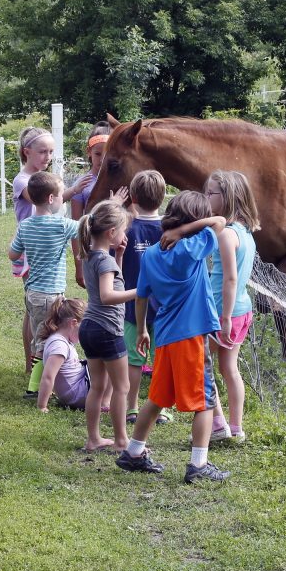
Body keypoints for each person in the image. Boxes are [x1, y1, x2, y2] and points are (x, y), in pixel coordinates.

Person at [116, 191, 230, 483]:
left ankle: (133, 452)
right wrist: (184, 231)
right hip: (190, 336)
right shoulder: (191, 246)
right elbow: (219, 221)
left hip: (165, 335)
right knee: (205, 401)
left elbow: (141, 295)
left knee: (157, 397)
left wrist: (142, 329)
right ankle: (198, 464)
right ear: (194, 220)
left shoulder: (152, 253)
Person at [8, 170, 83, 398]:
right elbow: (87, 226)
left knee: (39, 336)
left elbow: (13, 254)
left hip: (32, 293)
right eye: (61, 196)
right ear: (51, 198)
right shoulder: (62, 225)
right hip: (52, 295)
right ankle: (35, 388)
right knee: (47, 339)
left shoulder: (25, 225)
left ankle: (40, 381)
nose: (62, 200)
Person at [78, 200, 137, 452]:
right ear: (112, 232)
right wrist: (140, 292)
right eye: (123, 230)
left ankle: (93, 439)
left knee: (98, 386)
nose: (125, 236)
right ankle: (121, 440)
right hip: (107, 330)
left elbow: (114, 283)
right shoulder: (105, 262)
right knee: (121, 388)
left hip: (89, 328)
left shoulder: (90, 256)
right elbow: (107, 295)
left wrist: (119, 256)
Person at [205, 170, 259, 445]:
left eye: (210, 193)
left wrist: (224, 317)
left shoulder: (227, 234)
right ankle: (236, 428)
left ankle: (218, 424)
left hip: (221, 311)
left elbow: (230, 278)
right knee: (229, 368)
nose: (206, 198)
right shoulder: (246, 233)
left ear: (227, 197)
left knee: (201, 365)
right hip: (242, 309)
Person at [11, 127, 63, 376]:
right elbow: (45, 202)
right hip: (31, 252)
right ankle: (32, 364)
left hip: (42, 250)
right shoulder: (23, 181)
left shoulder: (42, 179)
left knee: (34, 309)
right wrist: (66, 190)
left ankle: (34, 364)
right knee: (36, 310)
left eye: (51, 152)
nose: (48, 157)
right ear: (27, 152)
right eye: (43, 151)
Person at [120, 170, 169, 426]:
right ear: (163, 197)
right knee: (161, 360)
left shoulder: (126, 228)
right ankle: (160, 408)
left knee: (134, 359)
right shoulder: (169, 230)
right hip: (165, 308)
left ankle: (132, 407)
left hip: (132, 306)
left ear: (133, 197)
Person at [36, 298, 90, 411]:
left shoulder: (62, 341)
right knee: (110, 361)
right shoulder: (59, 346)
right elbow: (48, 377)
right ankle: (105, 402)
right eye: (84, 328)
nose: (85, 332)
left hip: (78, 389)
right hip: (77, 395)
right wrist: (42, 406)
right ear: (74, 323)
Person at [67, 120, 113, 219]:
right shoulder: (81, 184)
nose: (102, 160)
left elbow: (133, 216)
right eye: (98, 154)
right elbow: (76, 222)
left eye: (107, 154)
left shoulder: (120, 181)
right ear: (89, 151)